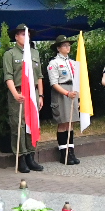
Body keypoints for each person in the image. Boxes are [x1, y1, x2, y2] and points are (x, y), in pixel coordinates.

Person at [2, 24, 44, 172]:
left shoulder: (34, 53)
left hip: (32, 93)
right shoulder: (10, 54)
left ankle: (31, 157)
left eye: (27, 34)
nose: (25, 37)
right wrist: (15, 93)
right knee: (18, 126)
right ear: (16, 37)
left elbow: (39, 76)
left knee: (32, 124)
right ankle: (21, 157)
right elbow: (8, 76)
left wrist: (40, 95)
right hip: (18, 92)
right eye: (22, 34)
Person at [46, 35, 82, 167]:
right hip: (62, 92)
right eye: (65, 45)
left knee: (71, 122)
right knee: (63, 122)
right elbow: (54, 83)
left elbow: (77, 80)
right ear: (58, 48)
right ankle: (63, 152)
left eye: (69, 45)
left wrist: (76, 95)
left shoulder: (73, 63)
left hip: (72, 91)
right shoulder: (54, 63)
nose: (68, 47)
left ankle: (71, 151)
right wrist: (67, 93)